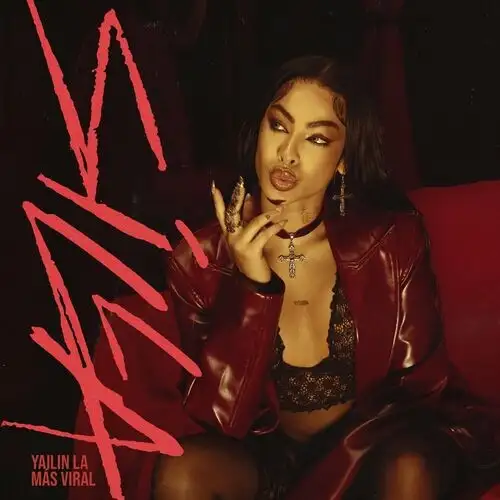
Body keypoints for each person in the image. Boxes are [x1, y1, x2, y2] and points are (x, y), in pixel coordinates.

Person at [150, 55, 461, 499]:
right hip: (268, 463)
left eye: (316, 138)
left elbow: (421, 388)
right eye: (279, 126)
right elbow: (219, 418)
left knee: (410, 465)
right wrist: (253, 288)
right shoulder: (195, 261)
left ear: (343, 160)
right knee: (183, 473)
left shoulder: (393, 241)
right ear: (259, 131)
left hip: (369, 451)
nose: (288, 153)